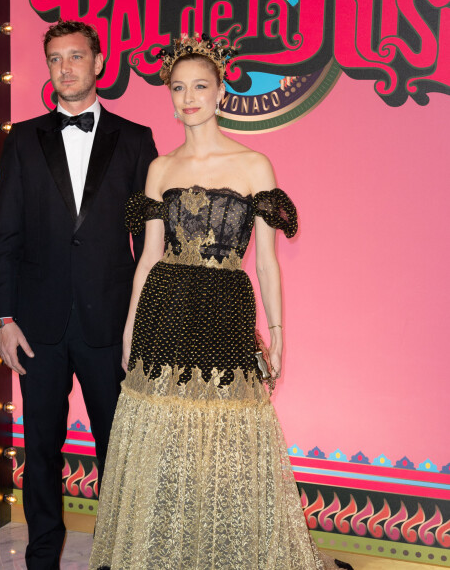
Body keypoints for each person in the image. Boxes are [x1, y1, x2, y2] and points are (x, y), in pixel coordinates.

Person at [89, 35, 353, 569]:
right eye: (179, 88)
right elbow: (148, 258)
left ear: (221, 92)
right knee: (162, 443)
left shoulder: (254, 164)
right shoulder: (160, 168)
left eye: (200, 87)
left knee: (229, 443)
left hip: (226, 308)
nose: (189, 98)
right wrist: (128, 328)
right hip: (164, 309)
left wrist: (278, 331)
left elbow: (267, 261)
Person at [0, 20, 157, 569]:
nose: (65, 67)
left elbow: (150, 242)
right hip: (37, 327)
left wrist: (143, 323)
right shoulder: (22, 140)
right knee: (39, 450)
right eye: (56, 58)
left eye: (76, 56)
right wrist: (3, 318)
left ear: (99, 61)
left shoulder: (135, 141)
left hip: (110, 325)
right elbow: (6, 235)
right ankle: (42, 556)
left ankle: (115, 556)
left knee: (119, 451)